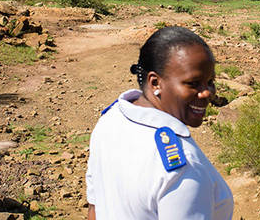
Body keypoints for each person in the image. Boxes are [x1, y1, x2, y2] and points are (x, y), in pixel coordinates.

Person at [85, 26, 234, 220]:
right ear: (155, 82)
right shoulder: (185, 169)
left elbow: (95, 209)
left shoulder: (111, 120)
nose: (207, 93)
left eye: (210, 82)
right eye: (193, 83)